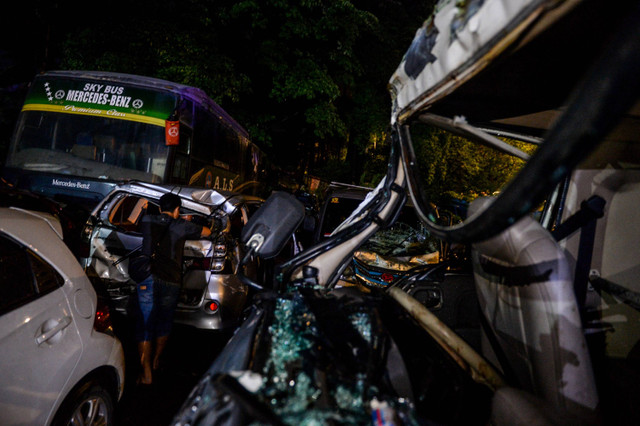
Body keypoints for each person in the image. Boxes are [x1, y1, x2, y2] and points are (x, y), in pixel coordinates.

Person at [135, 193, 211, 385]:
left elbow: (130, 221)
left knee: (146, 323)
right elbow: (208, 232)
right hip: (172, 280)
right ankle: (156, 360)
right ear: (177, 210)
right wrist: (187, 220)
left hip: (149, 277)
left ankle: (146, 374)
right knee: (164, 321)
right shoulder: (182, 226)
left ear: (160, 208)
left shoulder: (147, 219)